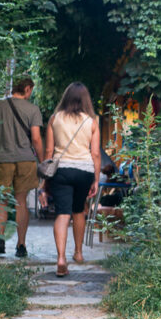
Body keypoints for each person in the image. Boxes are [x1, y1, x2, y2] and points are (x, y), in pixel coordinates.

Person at [38, 82, 100, 277]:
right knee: (79, 210)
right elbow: (96, 153)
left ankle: (61, 258)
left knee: (63, 213)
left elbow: (49, 151)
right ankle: (79, 253)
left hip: (61, 170)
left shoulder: (55, 119)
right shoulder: (91, 121)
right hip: (84, 171)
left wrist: (43, 182)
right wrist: (96, 180)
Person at [0, 77, 43, 257]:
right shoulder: (33, 109)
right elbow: (36, 139)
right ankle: (21, 246)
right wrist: (44, 159)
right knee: (21, 202)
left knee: (2, 200)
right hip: (25, 160)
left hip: (2, 159)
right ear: (28, 89)